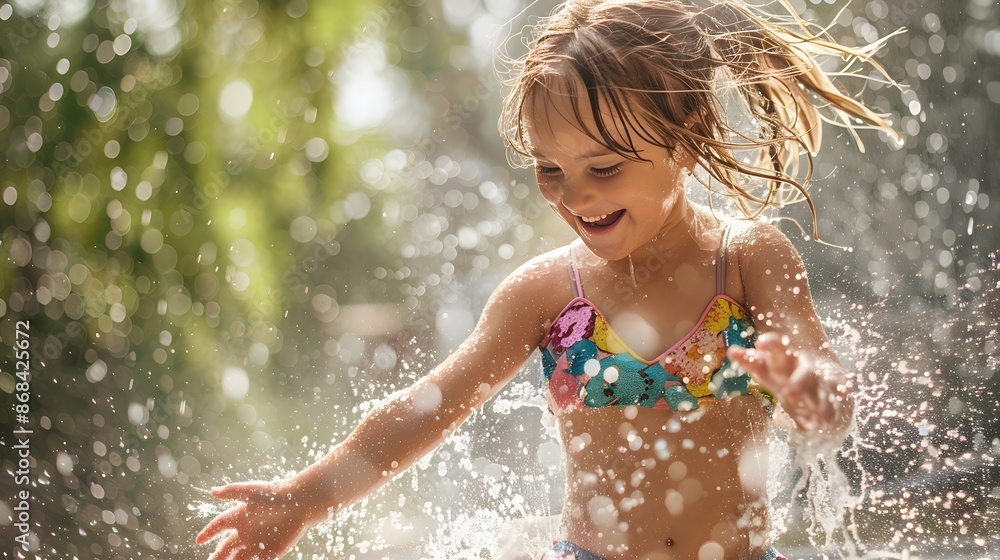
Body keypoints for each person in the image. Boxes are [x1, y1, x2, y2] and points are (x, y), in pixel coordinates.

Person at [196, 1, 899, 558]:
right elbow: (427, 408)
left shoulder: (747, 259)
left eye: (605, 168)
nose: (576, 196)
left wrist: (809, 393)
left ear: (684, 138)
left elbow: (826, 389)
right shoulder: (547, 292)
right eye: (549, 169)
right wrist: (307, 497)